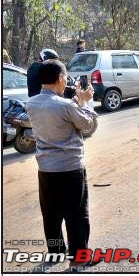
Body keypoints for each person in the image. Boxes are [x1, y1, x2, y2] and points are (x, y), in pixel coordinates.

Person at [26, 59, 99, 270]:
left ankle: (56, 252)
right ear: (60, 78)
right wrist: (84, 103)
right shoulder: (65, 105)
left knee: (51, 214)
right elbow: (87, 126)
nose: (66, 81)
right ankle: (79, 258)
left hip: (46, 169)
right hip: (70, 168)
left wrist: (75, 101)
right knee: (76, 215)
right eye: (65, 77)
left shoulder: (31, 104)